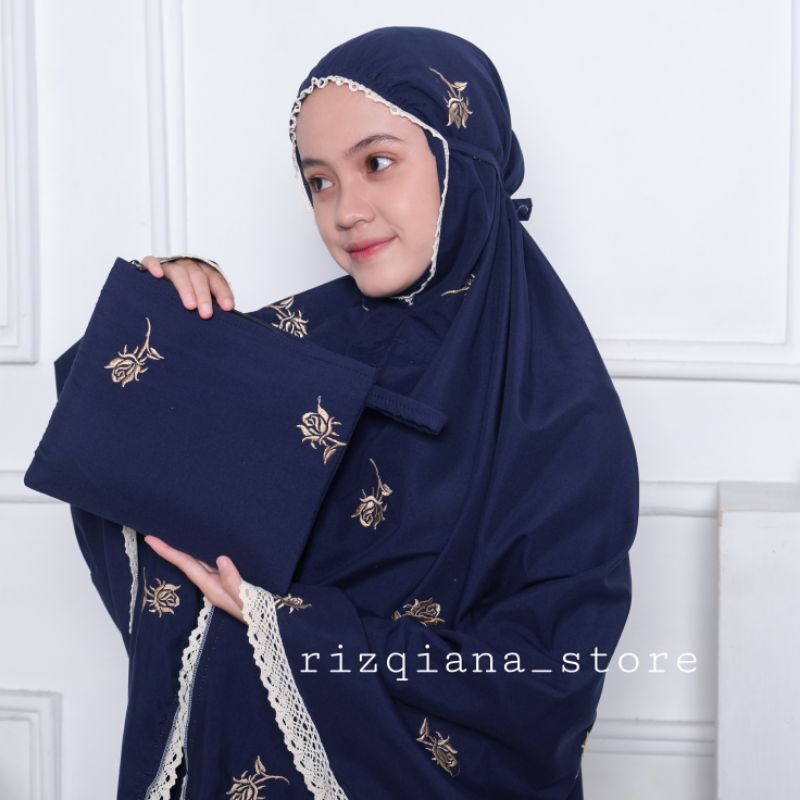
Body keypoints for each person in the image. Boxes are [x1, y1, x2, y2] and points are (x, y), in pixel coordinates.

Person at [57, 25, 639, 799]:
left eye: (377, 163)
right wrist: (169, 314)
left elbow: (544, 685)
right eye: (320, 181)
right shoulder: (308, 350)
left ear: (462, 161)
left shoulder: (561, 414)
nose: (346, 210)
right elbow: (113, 456)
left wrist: (288, 626)